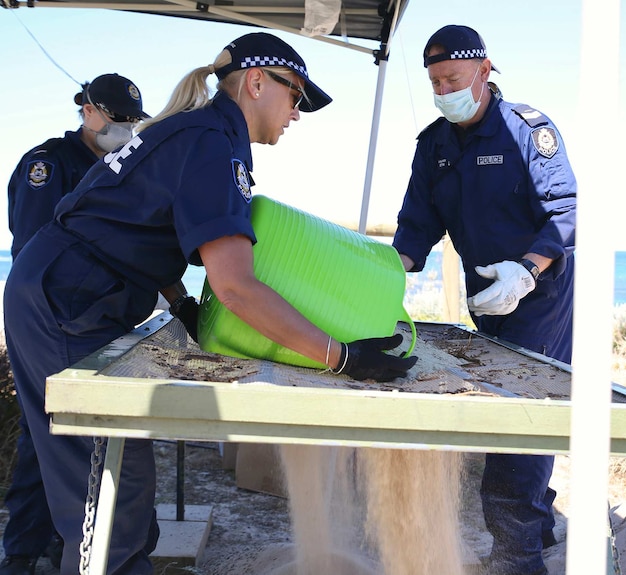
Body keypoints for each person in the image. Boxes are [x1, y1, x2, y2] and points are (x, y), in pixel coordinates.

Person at [3, 31, 417, 575]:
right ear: (256, 82)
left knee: (121, 478)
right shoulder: (209, 143)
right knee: (102, 497)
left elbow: (138, 231)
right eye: (295, 96)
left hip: (76, 292)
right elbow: (236, 287)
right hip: (66, 303)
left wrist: (181, 305)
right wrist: (339, 355)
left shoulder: (201, 133)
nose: (297, 113)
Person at [392, 25, 576, 575]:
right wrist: (373, 278)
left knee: (517, 424)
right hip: (484, 301)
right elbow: (413, 233)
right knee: (512, 410)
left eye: (452, 77)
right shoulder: (434, 145)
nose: (443, 89)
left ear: (484, 69)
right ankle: (538, 531)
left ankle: (516, 560)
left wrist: (526, 271)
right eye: (434, 81)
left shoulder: (528, 130)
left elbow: (568, 212)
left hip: (539, 296)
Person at [2, 73, 148, 575]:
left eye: (132, 122)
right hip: (55, 318)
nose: (125, 130)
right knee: (48, 432)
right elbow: (36, 246)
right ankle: (22, 552)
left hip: (102, 321)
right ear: (88, 111)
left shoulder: (117, 166)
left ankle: (75, 545)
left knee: (82, 437)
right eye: (117, 119)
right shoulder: (49, 164)